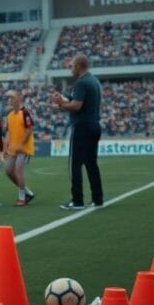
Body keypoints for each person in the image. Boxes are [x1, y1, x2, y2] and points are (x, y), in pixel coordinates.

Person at [51, 54, 104, 210]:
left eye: (72, 65)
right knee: (91, 164)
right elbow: (76, 101)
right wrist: (63, 98)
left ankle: (77, 200)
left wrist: (60, 104)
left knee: (75, 165)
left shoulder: (81, 83)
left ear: (79, 66)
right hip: (94, 125)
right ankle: (98, 198)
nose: (70, 68)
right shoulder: (93, 81)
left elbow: (76, 106)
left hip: (81, 127)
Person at [2, 90, 36, 206]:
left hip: (24, 149)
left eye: (12, 98)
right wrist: (5, 147)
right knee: (8, 171)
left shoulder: (25, 112)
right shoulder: (10, 115)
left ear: (19, 98)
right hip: (13, 149)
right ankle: (28, 193)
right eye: (9, 98)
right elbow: (8, 133)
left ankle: (22, 198)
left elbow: (29, 129)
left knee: (18, 171)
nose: (9, 100)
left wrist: (21, 144)